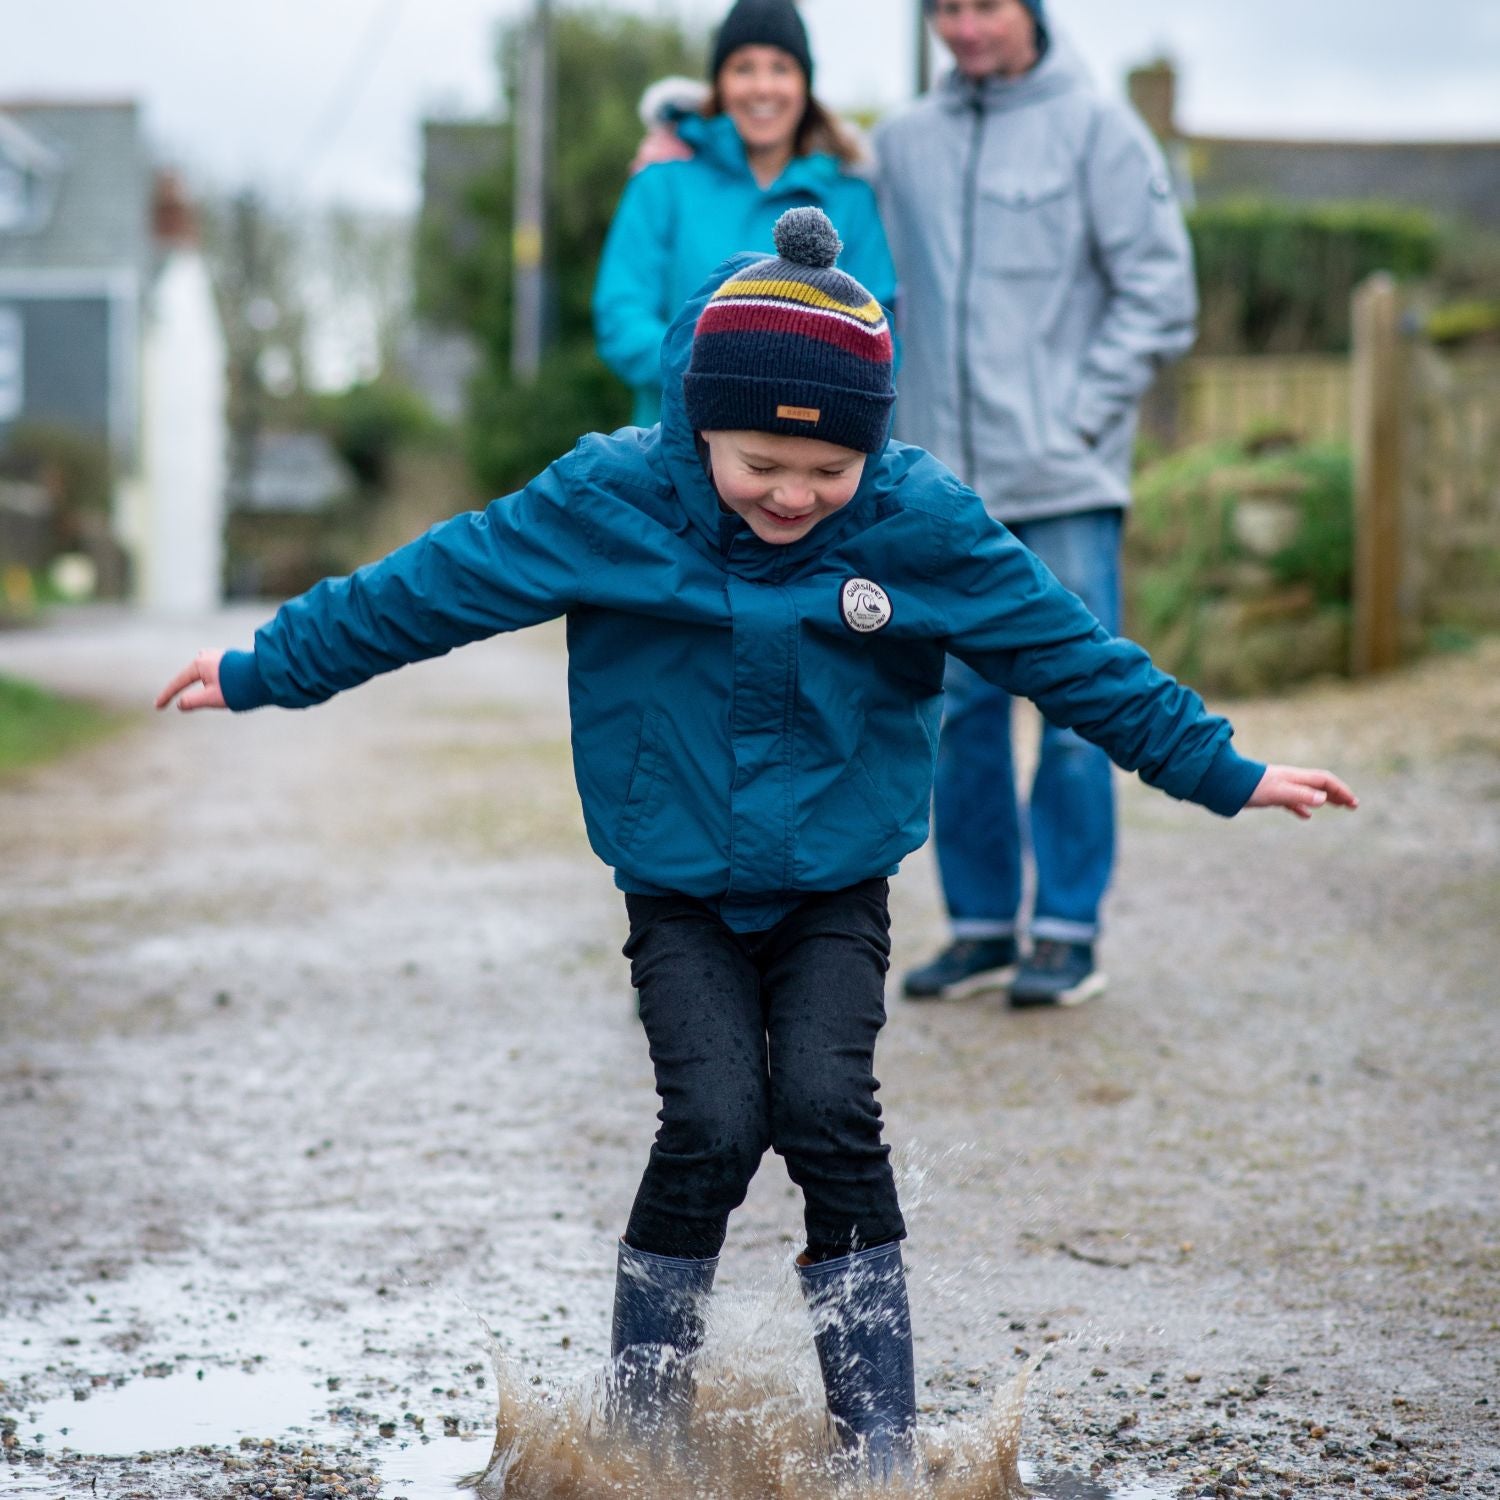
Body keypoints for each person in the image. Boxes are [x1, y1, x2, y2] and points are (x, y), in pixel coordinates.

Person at [157, 210, 1354, 1480]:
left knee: (832, 1114)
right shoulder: (611, 500)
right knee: (716, 1123)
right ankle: (637, 1439)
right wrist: (264, 667)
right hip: (677, 886)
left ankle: (880, 1451)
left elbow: (1072, 656)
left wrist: (1225, 770)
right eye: (760, 467)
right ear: (701, 425)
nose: (794, 496)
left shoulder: (917, 522)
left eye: (829, 472)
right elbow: (431, 586)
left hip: (838, 880)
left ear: (871, 448)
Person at [877, 0, 1199, 1008]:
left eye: (985, 7)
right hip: (942, 489)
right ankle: (982, 927)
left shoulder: (1100, 128)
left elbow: (1162, 290)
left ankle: (1066, 930)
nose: (965, 30)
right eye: (946, 12)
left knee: (1076, 708)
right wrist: (683, 127)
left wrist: (1077, 419)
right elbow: (795, 160)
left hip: (1062, 483)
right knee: (956, 709)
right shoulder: (901, 144)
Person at [592, 0, 896, 429]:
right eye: (743, 68)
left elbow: (880, 326)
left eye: (781, 67)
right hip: (679, 445)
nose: (762, 87)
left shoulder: (849, 197)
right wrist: (717, 375)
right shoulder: (661, 184)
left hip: (809, 458)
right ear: (718, 82)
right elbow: (621, 316)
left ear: (805, 84)